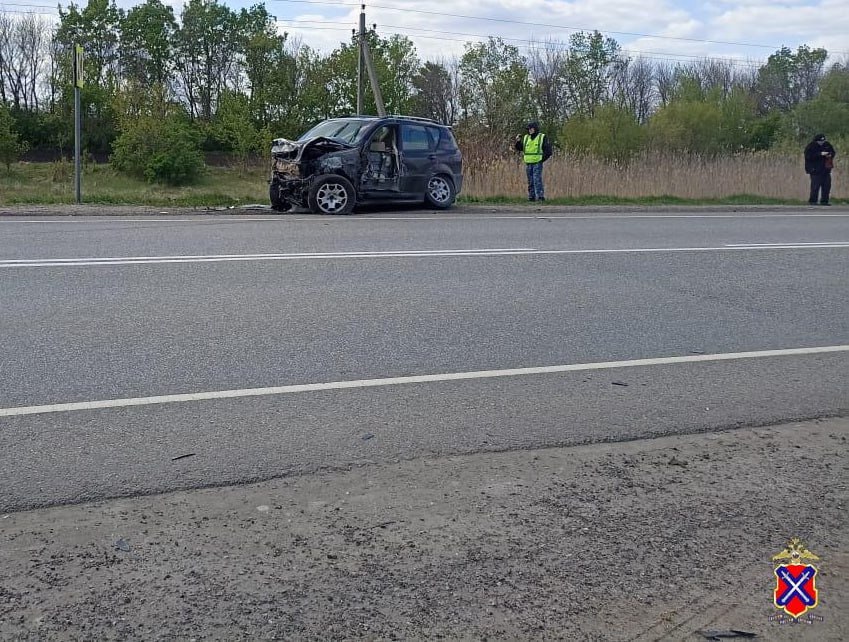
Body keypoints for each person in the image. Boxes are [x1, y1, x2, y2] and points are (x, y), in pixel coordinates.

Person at [514, 122, 552, 201]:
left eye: (531, 129)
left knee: (537, 180)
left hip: (537, 162)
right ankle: (532, 197)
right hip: (528, 163)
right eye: (528, 129)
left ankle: (540, 197)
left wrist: (541, 160)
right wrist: (517, 141)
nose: (529, 130)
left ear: (535, 129)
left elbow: (548, 151)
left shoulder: (542, 137)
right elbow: (520, 148)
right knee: (530, 181)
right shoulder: (526, 138)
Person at [804, 133, 836, 206]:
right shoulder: (811, 146)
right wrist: (820, 154)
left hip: (826, 170)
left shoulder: (827, 144)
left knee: (827, 186)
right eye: (820, 141)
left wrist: (830, 154)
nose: (822, 142)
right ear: (816, 141)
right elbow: (808, 156)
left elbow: (833, 152)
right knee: (815, 187)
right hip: (815, 170)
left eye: (823, 141)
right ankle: (813, 201)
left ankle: (824, 201)